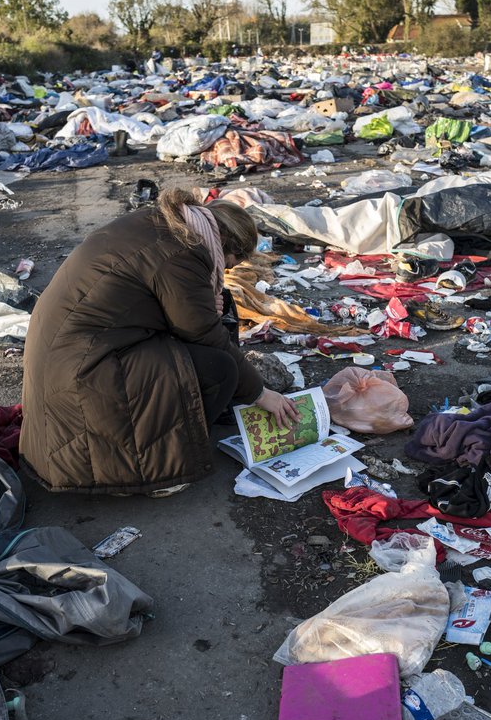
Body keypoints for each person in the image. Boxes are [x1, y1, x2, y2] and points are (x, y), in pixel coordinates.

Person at [20, 188, 297, 497]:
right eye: (230, 264)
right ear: (225, 246)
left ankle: (193, 421)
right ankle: (165, 463)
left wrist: (205, 305)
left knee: (222, 308)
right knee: (220, 368)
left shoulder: (168, 224)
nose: (227, 271)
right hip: (84, 374)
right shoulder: (184, 253)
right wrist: (260, 393)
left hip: (69, 354)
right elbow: (204, 334)